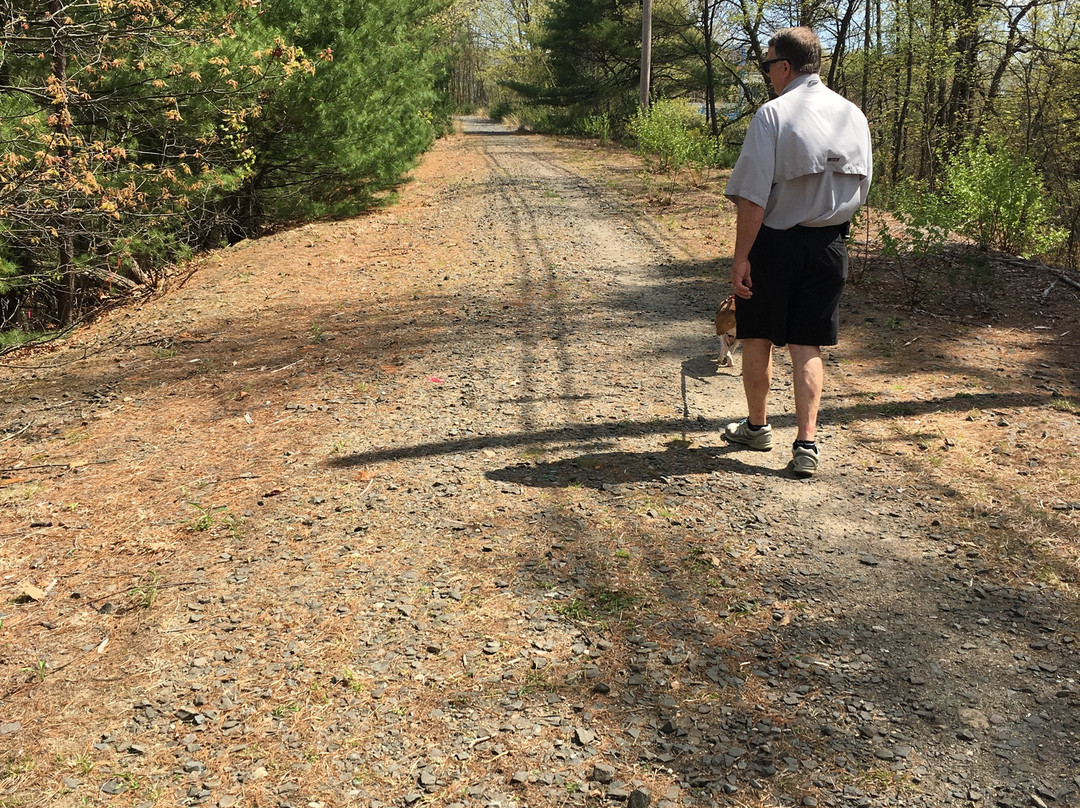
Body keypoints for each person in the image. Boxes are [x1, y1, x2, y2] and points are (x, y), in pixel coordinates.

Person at [722, 27, 872, 477]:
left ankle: (757, 427)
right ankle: (806, 443)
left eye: (768, 65)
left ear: (784, 66)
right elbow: (862, 186)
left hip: (775, 243)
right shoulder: (852, 116)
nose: (768, 74)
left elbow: (752, 197)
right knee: (808, 344)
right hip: (829, 244)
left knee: (760, 335)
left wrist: (741, 257)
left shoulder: (773, 115)